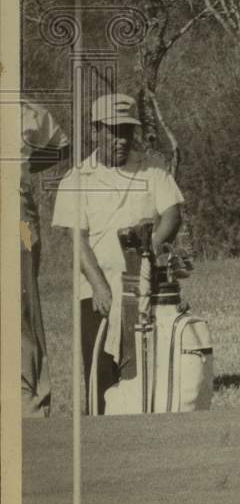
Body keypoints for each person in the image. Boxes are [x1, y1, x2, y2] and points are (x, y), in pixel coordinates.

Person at [52, 93, 183, 413]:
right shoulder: (77, 179)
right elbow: (77, 239)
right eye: (113, 131)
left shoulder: (152, 168)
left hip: (145, 288)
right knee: (101, 376)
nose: (121, 139)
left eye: (126, 131)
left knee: (146, 374)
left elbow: (172, 215)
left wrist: (146, 257)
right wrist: (99, 287)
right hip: (98, 293)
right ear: (95, 131)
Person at [20, 99, 70, 417]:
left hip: (16, 214)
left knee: (21, 306)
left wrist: (24, 166)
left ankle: (30, 402)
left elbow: (61, 148)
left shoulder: (30, 112)